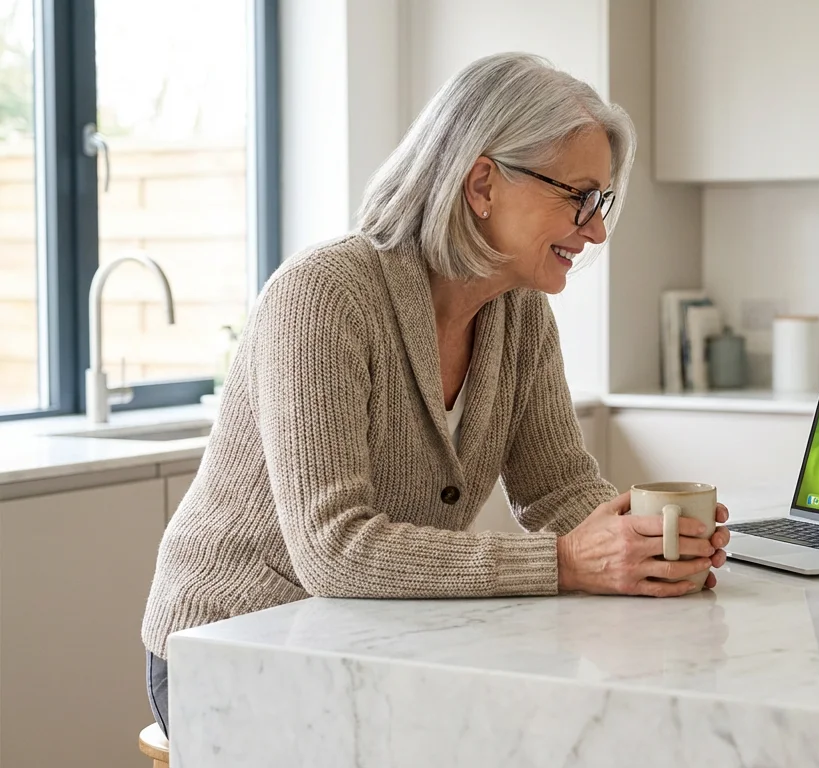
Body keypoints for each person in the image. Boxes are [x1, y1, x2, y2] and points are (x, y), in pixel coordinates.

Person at [140, 52, 731, 737]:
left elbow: (558, 488)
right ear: (483, 183)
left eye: (601, 202)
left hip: (362, 641)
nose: (595, 229)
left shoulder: (518, 314)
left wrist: (643, 545)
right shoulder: (324, 297)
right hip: (233, 647)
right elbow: (334, 549)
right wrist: (567, 562)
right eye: (579, 197)